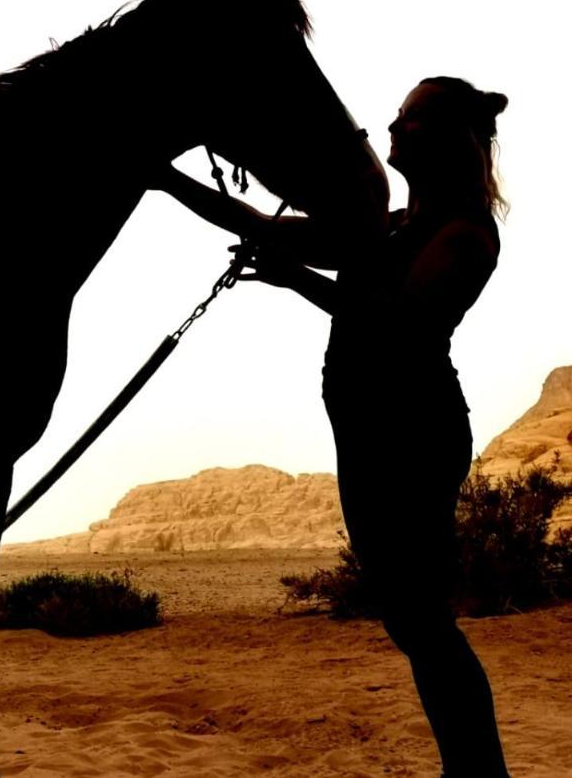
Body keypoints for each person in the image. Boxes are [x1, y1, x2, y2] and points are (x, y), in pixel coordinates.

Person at [159, 76, 510, 777]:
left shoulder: (464, 233)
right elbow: (262, 224)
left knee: (421, 620)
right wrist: (165, 182)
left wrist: (295, 280)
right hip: (369, 427)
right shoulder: (395, 227)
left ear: (443, 137)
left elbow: (404, 324)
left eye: (408, 119)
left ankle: (479, 772)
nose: (391, 125)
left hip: (409, 433)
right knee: (412, 618)